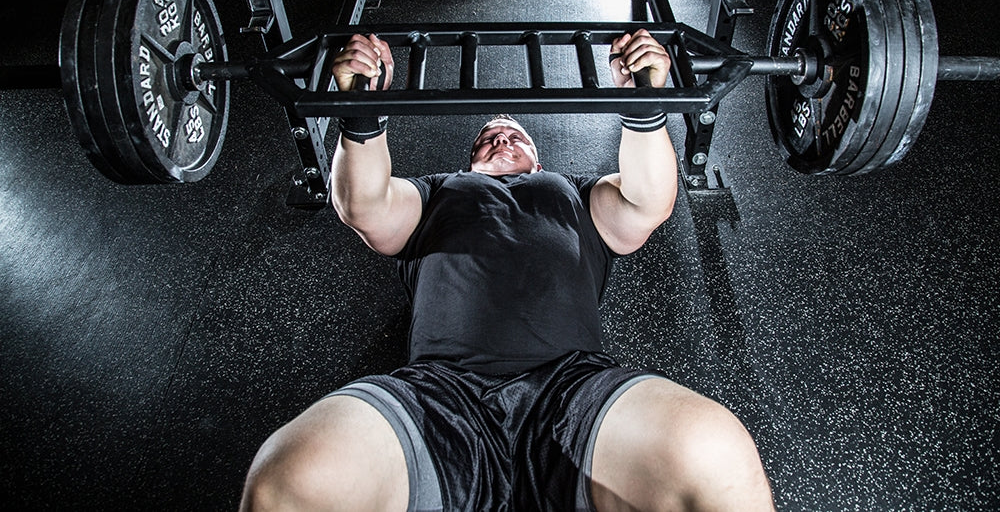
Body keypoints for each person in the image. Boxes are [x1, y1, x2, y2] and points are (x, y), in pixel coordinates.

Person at [239, 29, 775, 511]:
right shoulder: (437, 192)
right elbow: (365, 207)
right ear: (470, 160)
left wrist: (643, 104)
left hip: (574, 391)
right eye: (489, 138)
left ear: (538, 161)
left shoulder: (573, 192)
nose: (502, 139)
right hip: (441, 394)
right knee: (291, 482)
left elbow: (648, 202)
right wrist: (360, 109)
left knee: (714, 455)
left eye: (516, 137)